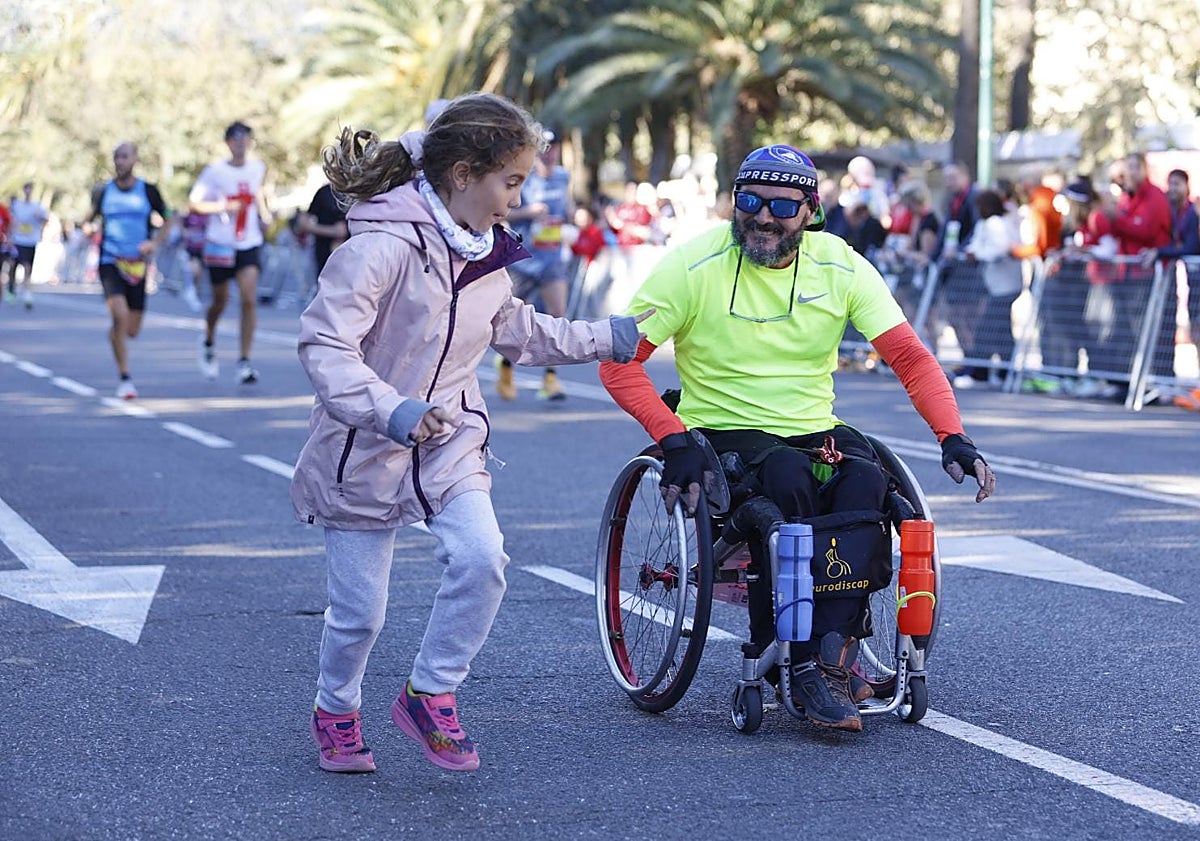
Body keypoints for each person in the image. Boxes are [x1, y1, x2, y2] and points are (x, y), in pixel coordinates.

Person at [289, 92, 647, 774]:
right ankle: (335, 706)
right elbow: (325, 346)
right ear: (463, 175)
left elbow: (519, 331)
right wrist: (391, 409)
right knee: (360, 614)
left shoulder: (484, 256)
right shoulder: (379, 249)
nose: (520, 198)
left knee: (484, 560)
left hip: (449, 443)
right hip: (364, 448)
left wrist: (608, 336)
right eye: (511, 181)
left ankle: (431, 690)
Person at [598, 144, 995, 733]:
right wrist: (671, 436)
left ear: (811, 211)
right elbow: (619, 363)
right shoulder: (692, 265)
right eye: (750, 201)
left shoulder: (840, 265)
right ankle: (799, 659)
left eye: (782, 206)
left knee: (866, 480)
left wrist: (953, 436)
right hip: (724, 430)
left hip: (814, 429)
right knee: (786, 479)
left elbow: (910, 357)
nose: (763, 217)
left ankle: (832, 654)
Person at [188, 120, 273, 385]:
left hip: (248, 242)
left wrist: (265, 216)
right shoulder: (215, 171)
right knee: (220, 301)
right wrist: (223, 207)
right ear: (228, 143)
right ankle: (208, 338)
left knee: (248, 299)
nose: (240, 144)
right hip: (220, 242)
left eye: (245, 138)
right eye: (235, 139)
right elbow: (195, 203)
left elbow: (258, 194)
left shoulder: (258, 168)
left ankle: (244, 360)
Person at [89, 142, 172, 399]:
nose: (120, 161)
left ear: (135, 160)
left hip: (137, 265)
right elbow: (90, 217)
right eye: (116, 157)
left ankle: (116, 334)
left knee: (131, 330)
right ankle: (125, 379)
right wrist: (87, 227)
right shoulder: (104, 191)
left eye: (125, 157)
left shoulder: (148, 190)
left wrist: (154, 242)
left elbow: (169, 217)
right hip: (110, 261)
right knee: (120, 314)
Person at [497, 127, 574, 400]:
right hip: (523, 259)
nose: (549, 154)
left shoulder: (563, 176)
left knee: (557, 313)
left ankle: (551, 379)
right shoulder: (523, 177)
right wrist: (530, 212)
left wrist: (573, 215)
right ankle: (506, 366)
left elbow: (567, 207)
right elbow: (502, 211)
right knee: (510, 318)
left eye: (554, 148)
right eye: (544, 149)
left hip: (552, 257)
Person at [297, 182, 348, 295]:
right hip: (324, 253)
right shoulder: (324, 192)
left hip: (350, 256)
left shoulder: (358, 192)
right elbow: (304, 223)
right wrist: (331, 231)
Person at [8, 182, 51, 309]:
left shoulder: (37, 206)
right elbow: (10, 220)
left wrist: (41, 223)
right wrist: (10, 236)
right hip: (17, 240)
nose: (28, 192)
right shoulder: (17, 205)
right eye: (26, 189)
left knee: (27, 267)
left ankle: (27, 292)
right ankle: (11, 289)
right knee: (13, 265)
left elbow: (46, 219)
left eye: (30, 190)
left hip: (30, 241)